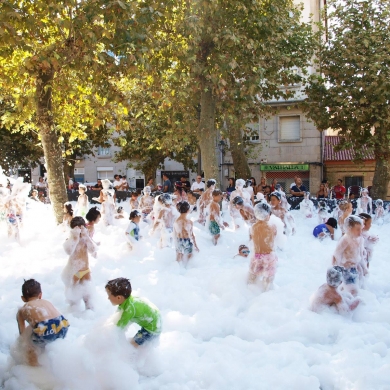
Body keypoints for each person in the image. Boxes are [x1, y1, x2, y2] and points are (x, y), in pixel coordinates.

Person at [16, 279, 69, 366]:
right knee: (51, 340)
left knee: (29, 343)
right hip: (62, 324)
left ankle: (34, 369)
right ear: (40, 295)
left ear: (23, 298)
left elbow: (22, 334)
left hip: (45, 328)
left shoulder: (22, 309)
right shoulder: (46, 302)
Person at [106, 278, 162, 348]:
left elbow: (119, 328)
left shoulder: (129, 310)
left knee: (133, 344)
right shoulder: (128, 301)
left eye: (109, 296)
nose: (108, 298)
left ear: (119, 298)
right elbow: (118, 314)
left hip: (152, 329)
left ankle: (133, 357)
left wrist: (111, 338)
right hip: (154, 318)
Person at [62, 216, 97, 310]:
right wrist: (75, 237)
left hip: (85, 270)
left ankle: (89, 316)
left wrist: (86, 236)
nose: (80, 231)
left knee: (88, 296)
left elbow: (93, 250)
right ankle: (74, 313)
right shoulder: (70, 240)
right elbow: (69, 251)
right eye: (78, 228)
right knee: (74, 298)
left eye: (82, 228)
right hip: (74, 272)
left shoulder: (85, 239)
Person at [332, 215, 367, 294]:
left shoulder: (360, 239)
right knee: (352, 291)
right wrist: (337, 269)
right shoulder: (345, 240)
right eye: (358, 230)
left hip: (356, 267)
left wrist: (364, 267)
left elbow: (360, 255)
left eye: (361, 229)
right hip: (346, 268)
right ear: (349, 229)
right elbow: (337, 254)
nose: (360, 232)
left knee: (357, 286)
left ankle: (345, 296)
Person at [247, 201, 277, 291]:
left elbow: (251, 240)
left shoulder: (252, 227)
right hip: (269, 256)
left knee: (252, 276)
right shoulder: (272, 226)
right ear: (267, 214)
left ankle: (248, 292)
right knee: (268, 279)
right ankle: (267, 294)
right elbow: (274, 238)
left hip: (256, 256)